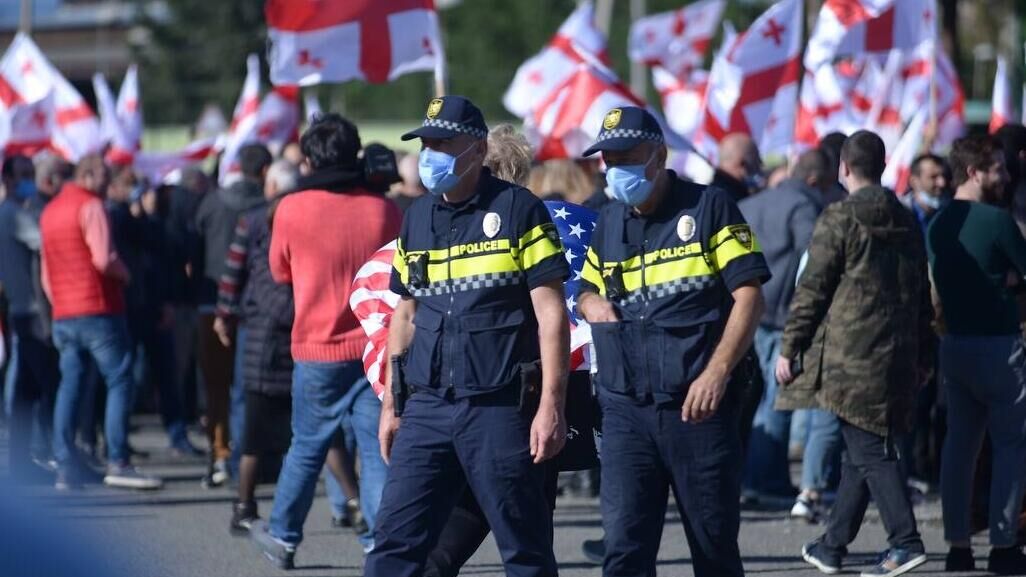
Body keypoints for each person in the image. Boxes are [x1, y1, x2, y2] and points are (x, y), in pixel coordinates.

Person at [364, 95, 569, 577]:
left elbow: (551, 314)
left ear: (478, 149)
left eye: (443, 143)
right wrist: (393, 406)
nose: (430, 153)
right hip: (429, 409)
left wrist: (551, 406)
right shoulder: (416, 217)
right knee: (392, 547)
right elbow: (405, 314)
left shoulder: (520, 210)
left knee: (525, 550)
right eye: (426, 143)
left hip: (499, 408)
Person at [577, 107, 769, 577]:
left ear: (659, 156)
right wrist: (590, 303)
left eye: (626, 156)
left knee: (713, 546)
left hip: (697, 409)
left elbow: (750, 297)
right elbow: (586, 287)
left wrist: (717, 372)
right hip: (627, 413)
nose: (615, 168)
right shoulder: (608, 221)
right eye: (608, 158)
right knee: (623, 549)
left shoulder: (710, 208)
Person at [777, 131, 933, 577]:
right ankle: (831, 544)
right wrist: (924, 352)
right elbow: (922, 291)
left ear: (843, 167)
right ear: (882, 166)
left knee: (870, 451)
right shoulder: (906, 219)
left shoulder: (838, 218)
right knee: (858, 452)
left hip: (850, 357)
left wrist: (791, 347)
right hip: (898, 352)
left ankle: (905, 541)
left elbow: (813, 289)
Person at [249, 114, 400, 568]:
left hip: (316, 346)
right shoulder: (383, 209)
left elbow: (279, 271)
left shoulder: (292, 208)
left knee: (308, 444)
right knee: (377, 450)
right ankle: (381, 540)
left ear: (310, 158)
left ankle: (283, 535)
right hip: (375, 347)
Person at [927, 135, 1026, 575]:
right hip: (998, 347)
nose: (1006, 177)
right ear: (974, 172)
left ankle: (957, 545)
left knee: (959, 449)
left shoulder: (937, 223)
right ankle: (1004, 545)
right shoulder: (997, 221)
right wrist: (1007, 281)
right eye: (999, 169)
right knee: (1010, 445)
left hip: (953, 345)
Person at [39, 155, 162, 491]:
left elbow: (47, 272)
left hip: (64, 312)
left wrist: (60, 301)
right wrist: (127, 275)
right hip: (98, 307)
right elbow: (104, 258)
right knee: (120, 378)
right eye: (105, 177)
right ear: (88, 175)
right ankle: (118, 459)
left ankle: (65, 464)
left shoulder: (50, 211)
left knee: (71, 385)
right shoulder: (91, 206)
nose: (109, 184)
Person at [212, 159, 300, 534]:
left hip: (257, 324)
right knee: (308, 418)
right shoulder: (300, 215)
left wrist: (224, 314)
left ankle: (243, 492)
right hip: (293, 321)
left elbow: (233, 272)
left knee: (249, 408)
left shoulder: (252, 219)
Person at [739, 150, 830, 505]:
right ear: (814, 182)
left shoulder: (753, 203)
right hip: (782, 316)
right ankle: (766, 481)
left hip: (749, 312)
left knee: (763, 397)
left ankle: (757, 477)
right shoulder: (804, 208)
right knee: (777, 399)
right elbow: (815, 263)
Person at [194, 143, 273, 487]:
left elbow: (192, 250)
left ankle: (218, 454)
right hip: (254, 309)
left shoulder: (212, 202)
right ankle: (245, 457)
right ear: (264, 170)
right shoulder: (268, 208)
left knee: (215, 387)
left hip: (210, 302)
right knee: (246, 387)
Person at [0, 155, 58, 480]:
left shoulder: (12, 212)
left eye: (30, 174)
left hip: (24, 311)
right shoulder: (13, 215)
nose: (28, 180)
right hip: (34, 312)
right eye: (22, 175)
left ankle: (23, 462)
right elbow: (46, 240)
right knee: (46, 387)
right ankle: (49, 454)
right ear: (6, 179)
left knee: (26, 391)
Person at [902, 154, 949, 233]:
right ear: (914, 181)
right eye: (933, 177)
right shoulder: (900, 214)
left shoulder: (950, 213)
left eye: (943, 176)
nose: (942, 183)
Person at [713, 132, 763, 202]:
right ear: (742, 164)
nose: (761, 164)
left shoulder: (711, 196)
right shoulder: (731, 200)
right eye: (757, 159)